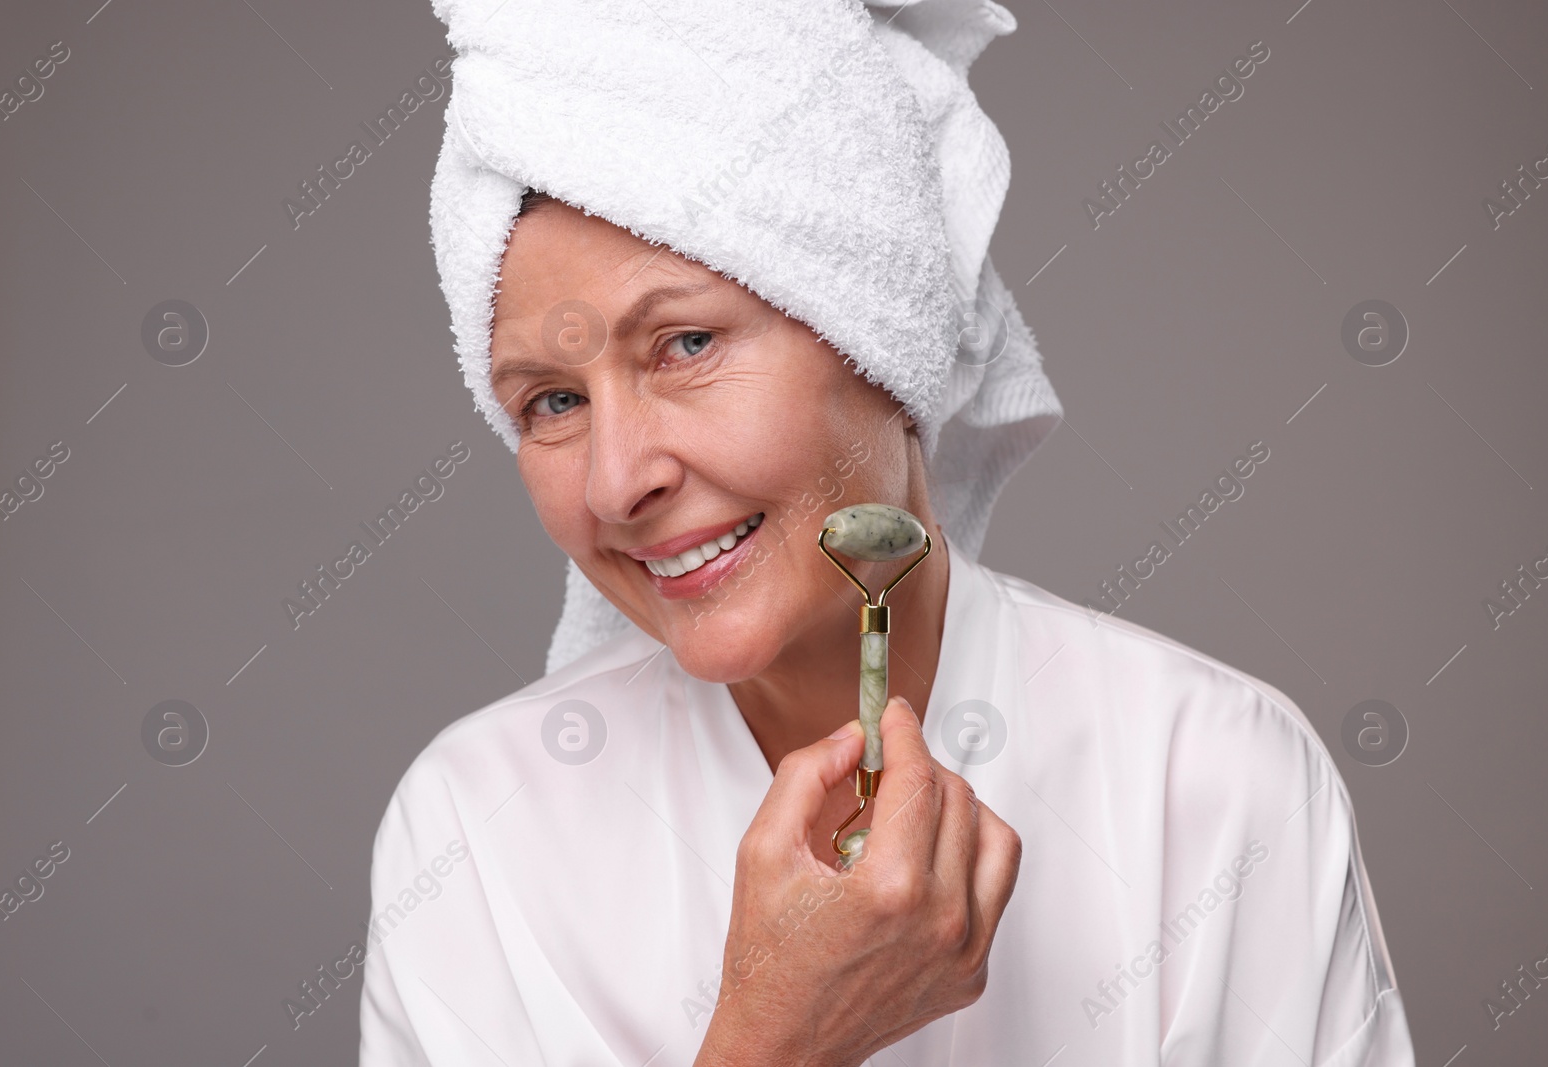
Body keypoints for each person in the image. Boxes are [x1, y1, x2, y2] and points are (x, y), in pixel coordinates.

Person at [360, 1, 1416, 1064]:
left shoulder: (1210, 781)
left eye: (684, 342)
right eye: (549, 402)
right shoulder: (472, 832)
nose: (617, 478)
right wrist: (775, 1040)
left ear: (883, 333)